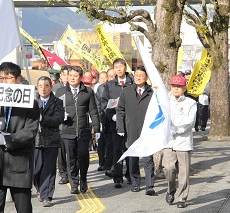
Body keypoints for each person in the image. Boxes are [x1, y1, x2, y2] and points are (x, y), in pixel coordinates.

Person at [0, 62, 40, 213]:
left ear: (18, 79)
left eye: (8, 78)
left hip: (19, 164)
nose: (3, 81)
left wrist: (7, 139)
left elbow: (30, 131)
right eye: (1, 78)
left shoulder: (30, 103)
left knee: (23, 208)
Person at [55, 65, 100, 194]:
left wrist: (96, 128)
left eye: (75, 76)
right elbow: (56, 110)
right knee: (71, 158)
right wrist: (60, 116)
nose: (72, 78)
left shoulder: (88, 92)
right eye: (70, 76)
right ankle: (74, 183)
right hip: (67, 129)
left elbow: (93, 111)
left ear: (80, 78)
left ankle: (83, 179)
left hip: (83, 129)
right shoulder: (61, 92)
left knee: (83, 155)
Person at [116, 66, 156, 196]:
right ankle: (135, 182)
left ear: (147, 78)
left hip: (147, 130)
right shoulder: (126, 91)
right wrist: (120, 128)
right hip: (131, 129)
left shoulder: (152, 92)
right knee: (132, 158)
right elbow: (120, 110)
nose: (138, 77)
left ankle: (149, 185)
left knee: (148, 158)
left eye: (141, 75)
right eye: (136, 75)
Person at [162, 75, 197, 209]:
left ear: (184, 88)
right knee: (168, 168)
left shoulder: (190, 103)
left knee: (184, 171)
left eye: (179, 86)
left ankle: (182, 197)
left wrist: (176, 130)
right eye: (173, 86)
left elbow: (190, 122)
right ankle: (170, 189)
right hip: (168, 141)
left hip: (183, 141)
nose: (176, 89)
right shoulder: (165, 101)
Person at [101, 58, 133, 188]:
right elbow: (104, 103)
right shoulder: (109, 85)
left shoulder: (132, 82)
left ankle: (131, 174)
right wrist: (112, 116)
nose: (119, 69)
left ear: (125, 68)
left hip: (131, 122)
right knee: (117, 149)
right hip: (115, 122)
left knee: (130, 148)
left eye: (121, 66)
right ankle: (118, 177)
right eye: (116, 67)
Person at [34, 76, 64, 207]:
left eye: (46, 86)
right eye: (40, 86)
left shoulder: (57, 102)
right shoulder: (32, 101)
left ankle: (47, 196)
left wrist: (43, 118)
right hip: (35, 140)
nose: (43, 89)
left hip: (51, 140)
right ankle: (40, 188)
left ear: (51, 87)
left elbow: (58, 119)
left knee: (49, 169)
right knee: (36, 169)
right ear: (37, 87)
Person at [52, 65, 71, 185]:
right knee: (61, 152)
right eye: (64, 75)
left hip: (71, 124)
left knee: (71, 151)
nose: (66, 77)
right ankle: (63, 173)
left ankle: (72, 172)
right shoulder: (55, 88)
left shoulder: (75, 87)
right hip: (59, 125)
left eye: (68, 75)